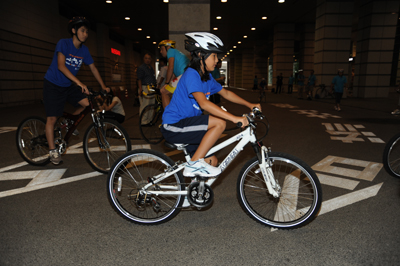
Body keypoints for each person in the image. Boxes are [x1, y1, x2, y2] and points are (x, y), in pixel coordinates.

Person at [160, 32, 261, 178]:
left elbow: (226, 94)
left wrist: (250, 104)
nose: (217, 60)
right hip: (174, 125)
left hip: (188, 125)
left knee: (211, 161)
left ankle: (194, 195)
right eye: (214, 56)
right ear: (201, 55)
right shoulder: (191, 75)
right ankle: (194, 164)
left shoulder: (207, 79)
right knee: (219, 123)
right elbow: (204, 104)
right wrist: (234, 118)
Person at [43, 17, 108, 165]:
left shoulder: (84, 50)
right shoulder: (63, 43)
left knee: (87, 103)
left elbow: (93, 68)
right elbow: (61, 65)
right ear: (74, 31)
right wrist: (79, 82)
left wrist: (103, 86)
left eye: (87, 31)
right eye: (82, 31)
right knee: (52, 119)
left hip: (68, 85)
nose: (85, 34)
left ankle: (68, 122)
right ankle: (53, 151)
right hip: (52, 84)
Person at [159, 39, 189, 108]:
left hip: (184, 75)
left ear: (168, 47)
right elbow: (173, 74)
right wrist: (168, 84)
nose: (160, 51)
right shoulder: (176, 53)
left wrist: (166, 84)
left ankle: (168, 117)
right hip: (186, 76)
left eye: (162, 49)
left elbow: (170, 68)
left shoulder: (170, 51)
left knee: (164, 92)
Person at [137, 53, 157, 123]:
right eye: (146, 58)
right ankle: (143, 121)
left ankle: (149, 120)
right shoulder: (141, 68)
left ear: (151, 60)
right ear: (143, 59)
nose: (147, 60)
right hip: (144, 87)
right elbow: (139, 79)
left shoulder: (151, 68)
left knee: (151, 105)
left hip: (151, 87)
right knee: (145, 105)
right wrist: (140, 89)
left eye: (149, 58)